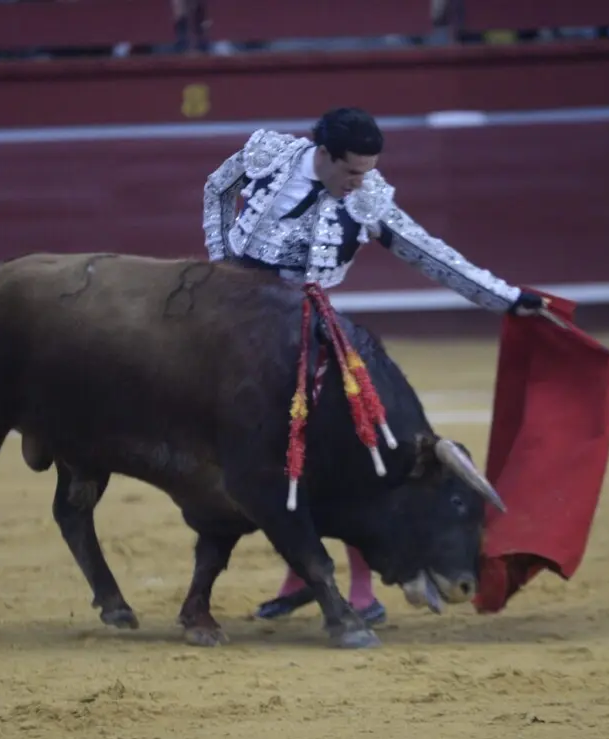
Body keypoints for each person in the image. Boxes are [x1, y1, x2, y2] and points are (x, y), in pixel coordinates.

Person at [201, 107, 548, 625]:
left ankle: (361, 592)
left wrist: (507, 299)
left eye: (368, 170)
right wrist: (221, 262)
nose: (361, 182)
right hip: (236, 321)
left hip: (304, 331)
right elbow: (218, 187)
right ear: (324, 154)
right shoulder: (269, 154)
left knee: (354, 454)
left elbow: (431, 254)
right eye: (352, 171)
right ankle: (299, 579)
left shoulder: (369, 200)